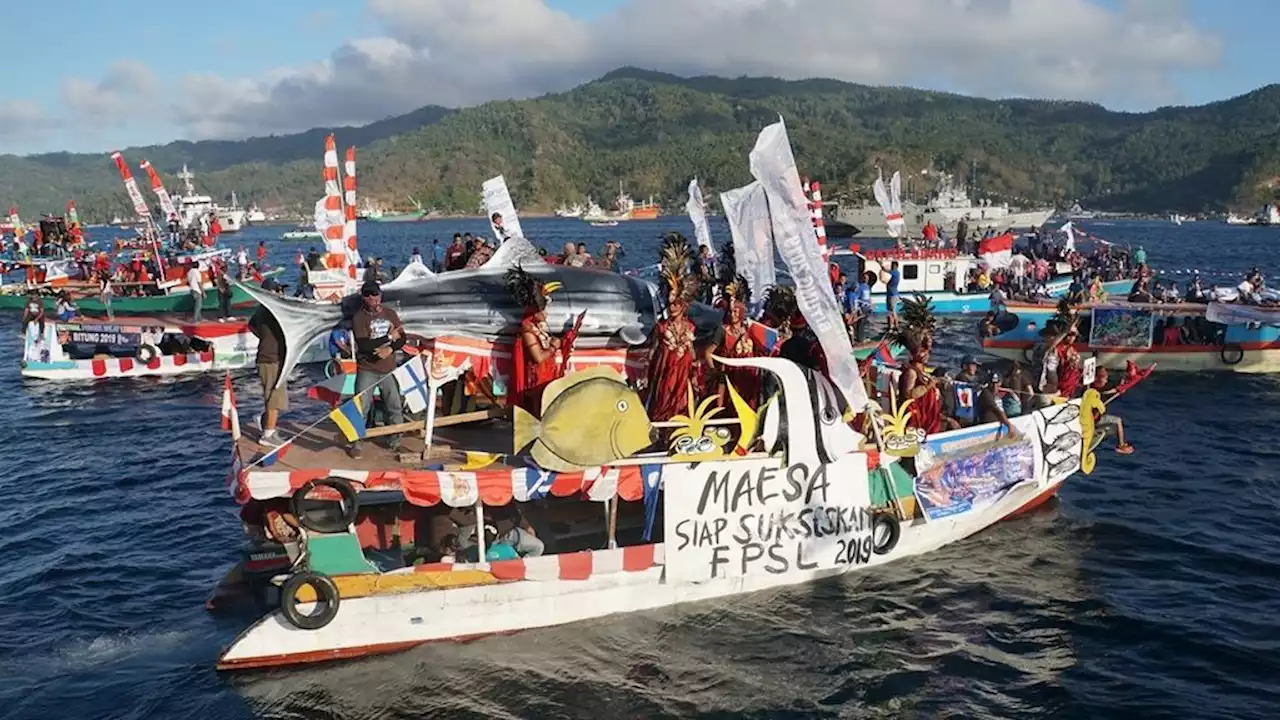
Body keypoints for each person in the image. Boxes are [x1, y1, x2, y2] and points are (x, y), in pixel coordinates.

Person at [505, 267, 580, 411]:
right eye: (544, 311)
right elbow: (538, 357)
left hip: (545, 375)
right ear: (535, 312)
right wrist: (554, 347)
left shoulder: (537, 327)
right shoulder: (528, 330)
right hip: (536, 380)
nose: (546, 314)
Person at [349, 281, 408, 458]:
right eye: (368, 295)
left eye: (375, 294)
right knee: (361, 406)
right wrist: (389, 337)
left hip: (388, 368)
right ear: (363, 297)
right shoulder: (359, 317)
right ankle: (356, 442)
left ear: (380, 295)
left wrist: (390, 348)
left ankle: (395, 440)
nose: (372, 298)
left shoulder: (390, 313)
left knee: (395, 405)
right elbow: (364, 344)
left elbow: (402, 337)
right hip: (367, 368)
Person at [647, 236, 701, 421]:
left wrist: (695, 371)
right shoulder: (661, 327)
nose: (672, 308)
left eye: (676, 304)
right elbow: (653, 351)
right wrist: (648, 374)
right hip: (666, 373)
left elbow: (692, 352)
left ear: (683, 305)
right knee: (663, 404)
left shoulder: (690, 328)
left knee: (682, 407)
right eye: (670, 304)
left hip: (682, 373)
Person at [248, 280, 288, 446]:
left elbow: (251, 325)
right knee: (275, 398)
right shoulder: (272, 310)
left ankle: (266, 423)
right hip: (271, 359)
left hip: (267, 356)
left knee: (270, 396)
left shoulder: (261, 309)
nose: (281, 294)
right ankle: (268, 435)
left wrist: (265, 338)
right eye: (278, 291)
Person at [1089, 368, 1135, 455]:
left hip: (1096, 417)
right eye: (1104, 378)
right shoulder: (1094, 390)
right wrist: (1118, 389)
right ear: (1097, 378)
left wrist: (1123, 383)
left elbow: (1113, 388)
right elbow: (1106, 392)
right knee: (1118, 421)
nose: (1106, 380)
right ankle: (1121, 445)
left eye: (1106, 377)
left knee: (1115, 424)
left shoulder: (1103, 385)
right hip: (1092, 419)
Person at [976, 371, 1019, 438]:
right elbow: (997, 411)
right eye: (992, 384)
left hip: (996, 427)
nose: (994, 386)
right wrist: (1009, 425)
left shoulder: (996, 395)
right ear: (988, 383)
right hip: (987, 429)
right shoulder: (986, 394)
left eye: (996, 384)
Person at [885, 261, 901, 330]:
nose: (891, 267)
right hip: (889, 294)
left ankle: (897, 326)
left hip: (893, 295)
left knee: (893, 311)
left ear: (896, 266)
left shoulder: (896, 273)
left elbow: (885, 270)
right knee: (889, 311)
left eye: (893, 266)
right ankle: (890, 326)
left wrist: (880, 264)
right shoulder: (894, 273)